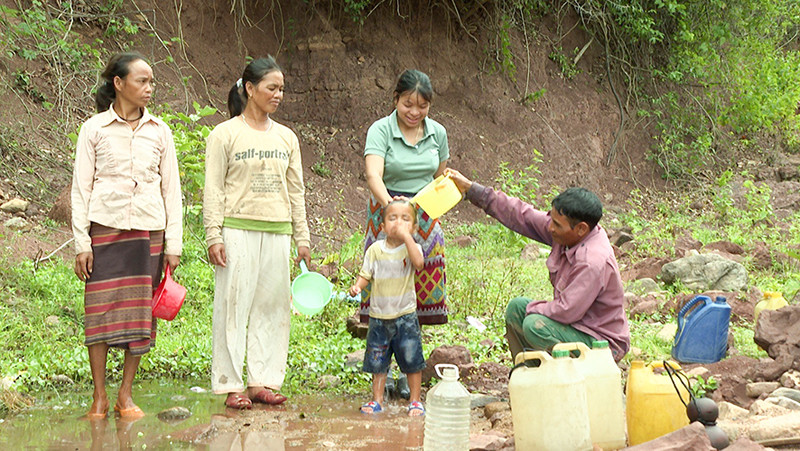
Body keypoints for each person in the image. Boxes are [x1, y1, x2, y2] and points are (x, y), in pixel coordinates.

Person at [71, 52, 182, 419]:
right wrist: (81, 243)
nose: (149, 88)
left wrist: (174, 245)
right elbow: (80, 189)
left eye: (152, 82)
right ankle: (99, 396)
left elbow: (172, 191)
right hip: (105, 230)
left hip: (148, 233)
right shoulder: (94, 129)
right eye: (142, 81)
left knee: (140, 314)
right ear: (119, 84)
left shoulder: (160, 131)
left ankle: (125, 394)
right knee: (100, 310)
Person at [203, 56, 311, 409]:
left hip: (278, 230)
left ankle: (262, 381)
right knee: (233, 307)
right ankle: (231, 384)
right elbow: (214, 189)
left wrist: (302, 237)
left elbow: (296, 190)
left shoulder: (287, 138)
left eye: (281, 89)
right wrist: (213, 235)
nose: (278, 95)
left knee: (272, 307)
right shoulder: (224, 134)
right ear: (250, 89)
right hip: (237, 229)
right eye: (271, 88)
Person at [445, 169, 630, 362]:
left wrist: (533, 309)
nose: (550, 228)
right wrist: (471, 189)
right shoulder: (570, 232)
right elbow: (522, 215)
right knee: (516, 308)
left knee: (535, 325)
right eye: (552, 221)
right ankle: (530, 374)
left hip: (600, 341)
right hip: (576, 325)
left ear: (581, 228)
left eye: (557, 225)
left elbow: (566, 311)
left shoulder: (592, 261)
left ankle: (568, 381)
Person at [361, 69, 450, 326]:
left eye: (422, 106)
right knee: (387, 276)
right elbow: (373, 174)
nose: (414, 112)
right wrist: (394, 209)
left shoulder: (438, 133)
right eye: (408, 104)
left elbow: (439, 175)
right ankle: (381, 346)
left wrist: (423, 210)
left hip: (425, 214)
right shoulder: (381, 130)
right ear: (395, 99)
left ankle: (412, 347)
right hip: (387, 209)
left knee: (423, 278)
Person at [349, 199, 426, 416]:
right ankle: (377, 400)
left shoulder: (412, 248)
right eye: (392, 218)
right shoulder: (375, 250)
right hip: (379, 317)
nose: (398, 223)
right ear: (382, 227)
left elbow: (419, 263)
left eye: (405, 219)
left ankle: (415, 400)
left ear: (414, 227)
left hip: (405, 316)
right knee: (377, 360)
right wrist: (357, 286)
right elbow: (366, 274)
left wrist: (407, 238)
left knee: (412, 359)